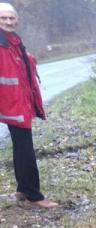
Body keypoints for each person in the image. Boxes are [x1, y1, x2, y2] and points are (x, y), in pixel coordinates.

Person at [0, 2, 57, 208]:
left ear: (17, 20)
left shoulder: (13, 41)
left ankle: (23, 188)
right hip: (11, 105)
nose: (8, 22)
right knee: (25, 148)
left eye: (11, 18)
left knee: (20, 146)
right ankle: (34, 196)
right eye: (3, 18)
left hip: (18, 103)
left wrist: (29, 59)